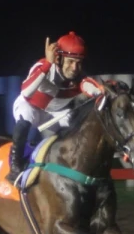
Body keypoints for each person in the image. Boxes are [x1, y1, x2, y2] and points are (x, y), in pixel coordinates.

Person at [7, 31, 104, 182]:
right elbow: (26, 92)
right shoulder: (42, 65)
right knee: (25, 117)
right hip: (31, 106)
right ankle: (15, 166)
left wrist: (103, 92)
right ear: (58, 58)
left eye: (78, 62)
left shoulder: (80, 78)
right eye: (70, 62)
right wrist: (47, 63)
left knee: (76, 122)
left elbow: (92, 88)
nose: (74, 68)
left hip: (54, 114)